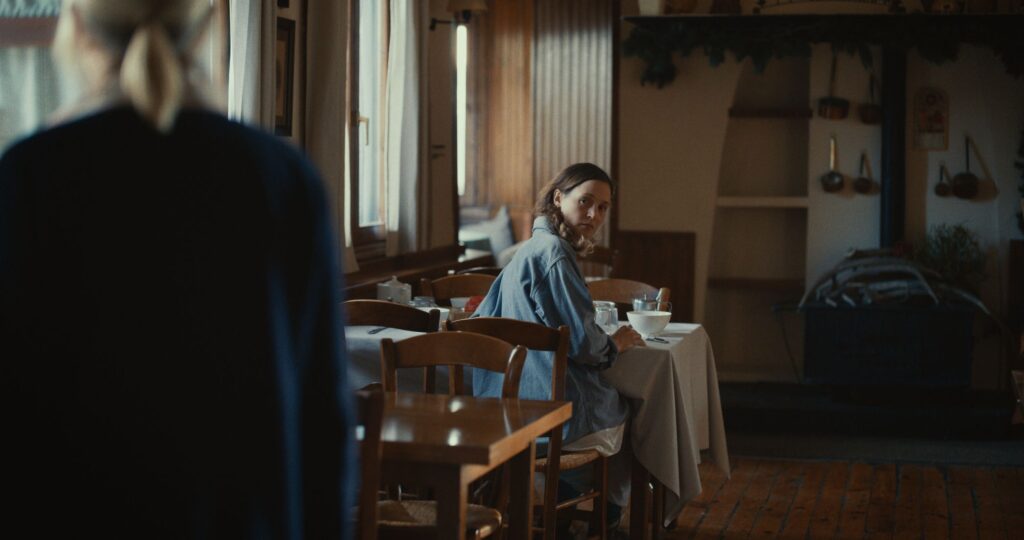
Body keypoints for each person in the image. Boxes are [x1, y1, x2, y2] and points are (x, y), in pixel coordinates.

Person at [0, 1, 355, 537]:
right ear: (207, 27)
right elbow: (322, 429)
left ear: (75, 27)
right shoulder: (283, 181)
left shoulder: (28, 178)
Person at [471, 162, 644, 530]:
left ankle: (554, 498)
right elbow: (585, 345)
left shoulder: (529, 249)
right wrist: (615, 343)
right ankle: (599, 510)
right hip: (551, 411)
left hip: (507, 406)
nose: (594, 215)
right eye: (585, 201)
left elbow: (482, 319)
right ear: (557, 198)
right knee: (635, 408)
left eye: (603, 207)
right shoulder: (555, 255)